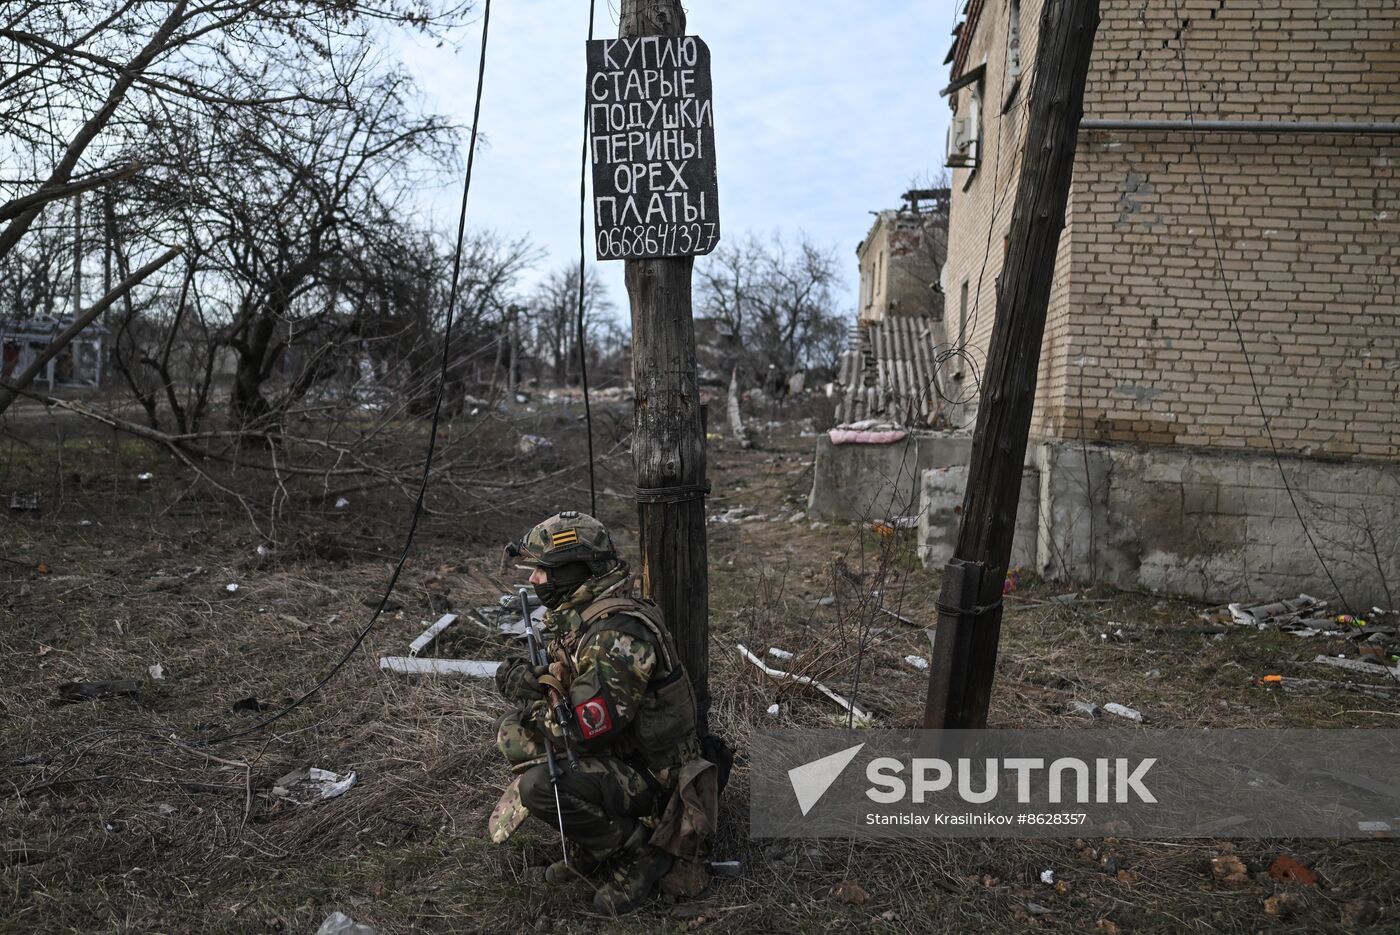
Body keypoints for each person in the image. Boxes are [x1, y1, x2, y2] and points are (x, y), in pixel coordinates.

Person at [488, 511, 714, 915]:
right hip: (628, 753)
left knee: (538, 782)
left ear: (576, 570)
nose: (533, 580)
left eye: (542, 569)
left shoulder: (616, 633)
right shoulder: (590, 613)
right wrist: (537, 679)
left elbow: (584, 731)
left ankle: (639, 853)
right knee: (518, 739)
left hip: (658, 778)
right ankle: (594, 844)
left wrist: (530, 705)